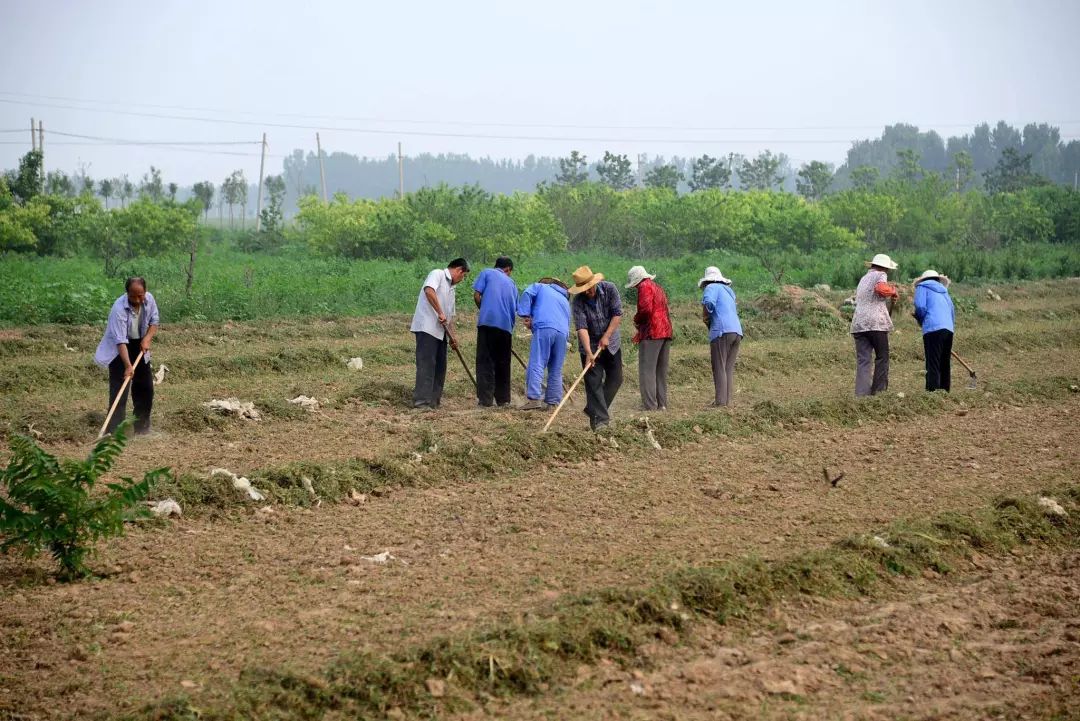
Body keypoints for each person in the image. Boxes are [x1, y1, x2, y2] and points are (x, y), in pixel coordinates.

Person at [94, 276, 160, 435]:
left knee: (146, 387)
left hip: (140, 345)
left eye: (140, 295)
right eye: (133, 296)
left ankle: (141, 426)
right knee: (119, 390)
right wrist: (128, 366)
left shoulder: (149, 299)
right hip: (120, 350)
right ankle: (114, 431)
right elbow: (120, 340)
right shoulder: (118, 309)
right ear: (127, 293)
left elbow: (154, 321)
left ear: (145, 291)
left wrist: (147, 338)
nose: (137, 300)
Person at [568, 265, 623, 431]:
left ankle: (594, 410)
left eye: (588, 288)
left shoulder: (610, 289)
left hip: (611, 342)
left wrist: (606, 336)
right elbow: (582, 328)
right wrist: (589, 352)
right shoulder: (577, 302)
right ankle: (600, 422)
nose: (586, 292)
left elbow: (617, 314)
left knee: (616, 379)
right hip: (589, 345)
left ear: (594, 283)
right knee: (593, 383)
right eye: (582, 289)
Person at [410, 258, 469, 410]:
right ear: (459, 270)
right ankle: (421, 401)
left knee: (440, 366)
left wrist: (453, 337)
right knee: (427, 364)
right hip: (427, 327)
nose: (462, 280)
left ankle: (434, 401)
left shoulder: (452, 289)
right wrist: (439, 311)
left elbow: (449, 317)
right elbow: (429, 291)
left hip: (441, 332)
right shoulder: (437, 274)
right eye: (463, 276)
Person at [516, 277, 571, 410]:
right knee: (556, 368)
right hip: (563, 333)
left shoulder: (540, 287)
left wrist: (526, 315)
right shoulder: (564, 299)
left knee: (538, 361)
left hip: (545, 327)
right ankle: (552, 402)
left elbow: (527, 293)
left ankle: (534, 399)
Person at [851, 253, 900, 397]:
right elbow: (880, 289)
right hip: (875, 324)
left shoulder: (864, 278)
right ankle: (879, 393)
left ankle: (861, 395)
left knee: (863, 361)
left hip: (859, 324)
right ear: (885, 268)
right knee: (882, 357)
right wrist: (893, 291)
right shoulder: (880, 275)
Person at [472, 256, 518, 407]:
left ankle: (485, 401)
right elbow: (514, 308)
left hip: (488, 323)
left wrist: (483, 309)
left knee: (486, 361)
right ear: (508, 269)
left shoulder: (487, 273)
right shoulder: (512, 283)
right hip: (506, 328)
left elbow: (477, 295)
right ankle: (503, 400)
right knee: (503, 363)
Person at [626, 265, 672, 411]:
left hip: (652, 332)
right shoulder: (657, 287)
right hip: (665, 331)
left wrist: (636, 319)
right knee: (660, 370)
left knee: (647, 370)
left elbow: (645, 309)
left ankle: (650, 405)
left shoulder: (644, 287)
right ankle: (662, 404)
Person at [699, 266, 742, 407]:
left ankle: (720, 402)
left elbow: (709, 302)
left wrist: (706, 315)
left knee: (719, 367)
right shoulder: (729, 291)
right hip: (736, 332)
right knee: (728, 368)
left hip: (721, 331)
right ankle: (726, 401)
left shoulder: (711, 287)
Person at [912, 269, 955, 392]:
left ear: (924, 279)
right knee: (944, 362)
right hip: (948, 328)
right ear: (937, 279)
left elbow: (920, 306)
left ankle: (932, 392)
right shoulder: (944, 291)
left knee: (933, 361)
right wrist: (950, 328)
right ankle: (945, 390)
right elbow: (952, 310)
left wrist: (921, 318)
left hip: (932, 328)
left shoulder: (921, 287)